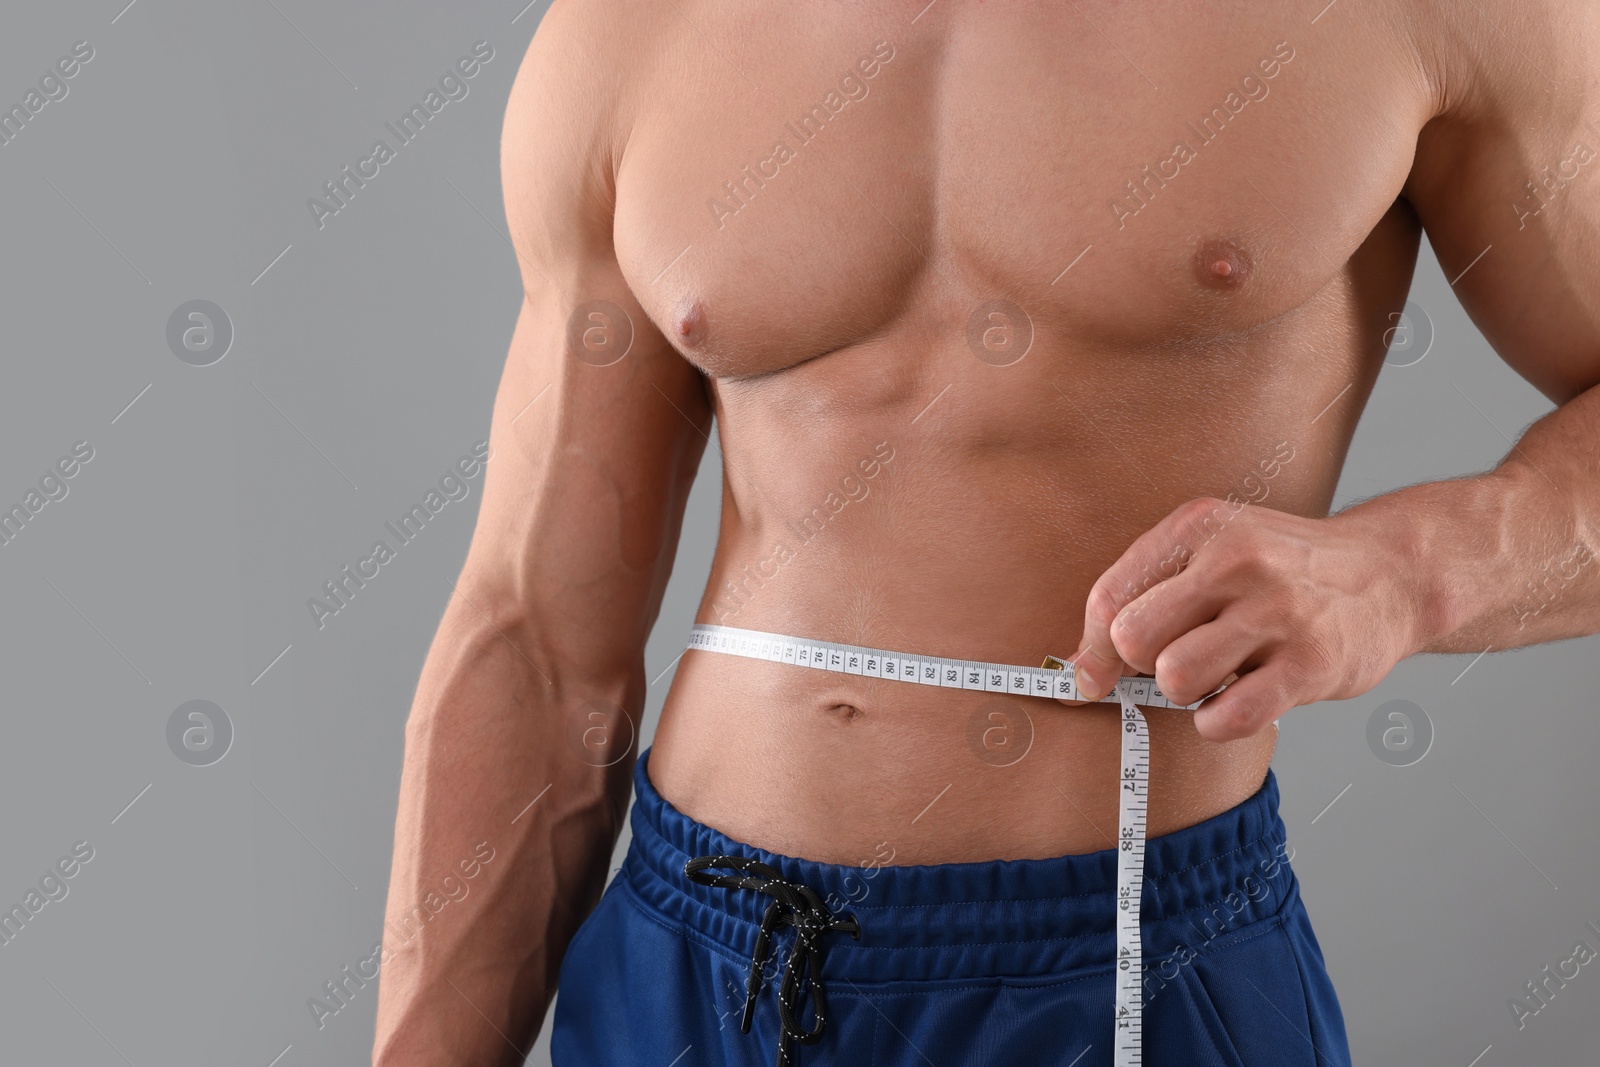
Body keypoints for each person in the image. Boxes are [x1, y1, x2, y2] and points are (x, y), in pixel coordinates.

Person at [372, 1, 1600, 1064]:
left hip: (1119, 950)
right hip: (687, 957)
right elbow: (537, 644)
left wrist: (1408, 573)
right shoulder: (628, 35)